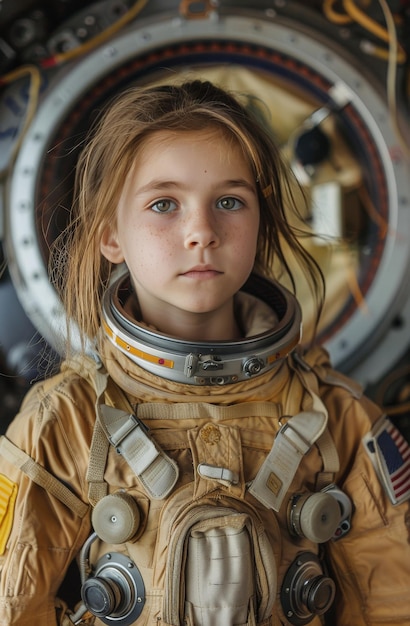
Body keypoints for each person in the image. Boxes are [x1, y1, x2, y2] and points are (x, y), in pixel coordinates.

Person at [0, 79, 408, 626]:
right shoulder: (67, 421)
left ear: (258, 225)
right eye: (164, 203)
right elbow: (12, 606)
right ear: (110, 236)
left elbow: (390, 603)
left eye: (229, 201)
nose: (202, 231)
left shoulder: (337, 419)